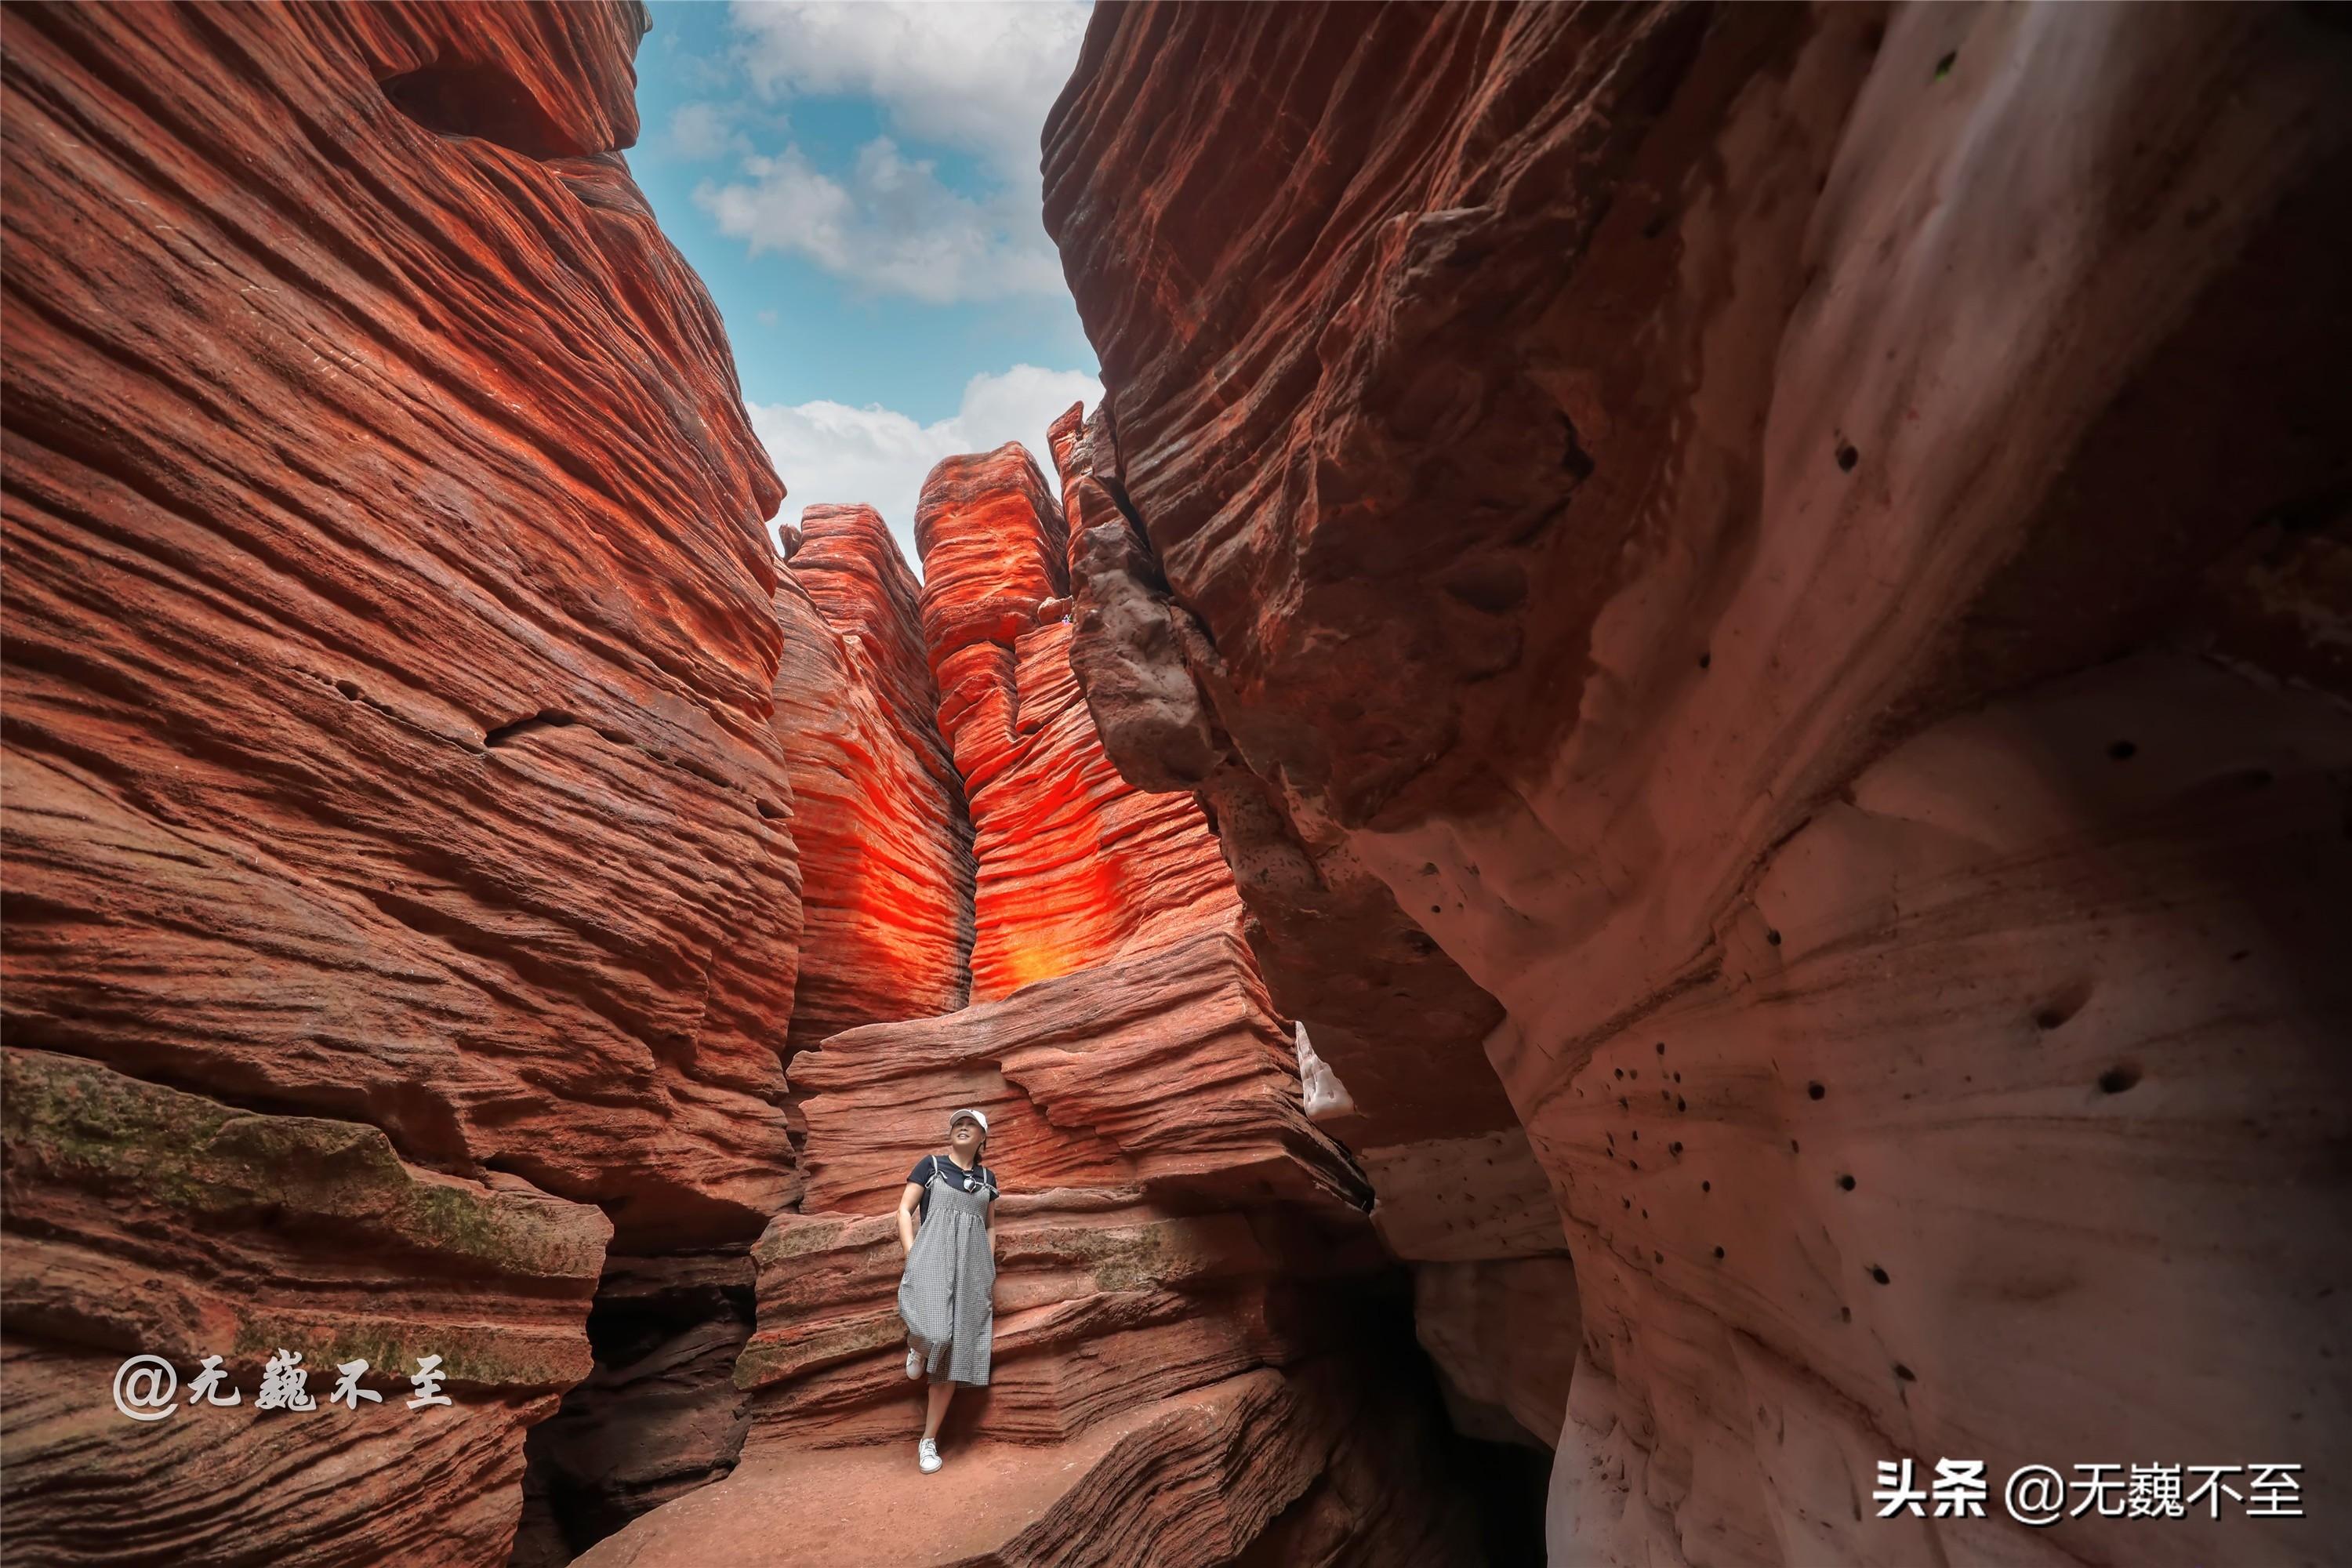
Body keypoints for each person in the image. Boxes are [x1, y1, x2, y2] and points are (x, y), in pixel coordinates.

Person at [895, 1107, 999, 1473]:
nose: (963, 1127)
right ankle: (918, 1346)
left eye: (971, 1124)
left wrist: (988, 1264)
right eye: (958, 1123)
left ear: (983, 1137)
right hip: (932, 1258)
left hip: (973, 1269)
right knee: (935, 1333)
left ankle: (928, 1442)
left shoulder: (988, 1178)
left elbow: (988, 1225)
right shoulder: (931, 1165)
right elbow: (904, 1210)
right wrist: (913, 1254)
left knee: (955, 1355)